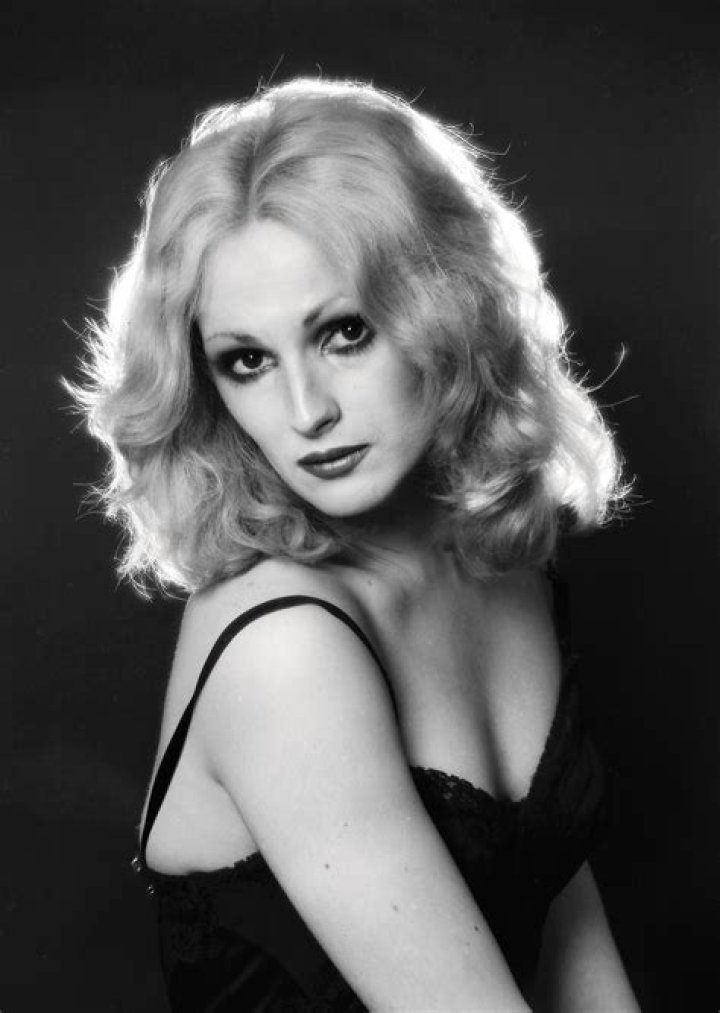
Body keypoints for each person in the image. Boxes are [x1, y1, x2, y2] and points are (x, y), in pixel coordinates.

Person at [74, 77, 638, 1011]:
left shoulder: (504, 565)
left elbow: (572, 940)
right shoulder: (283, 646)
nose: (306, 411)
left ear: (447, 309)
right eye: (247, 360)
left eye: (343, 333)